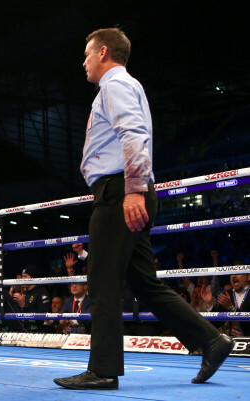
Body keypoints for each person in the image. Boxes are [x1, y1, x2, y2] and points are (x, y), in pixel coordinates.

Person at [54, 28, 232, 390]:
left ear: (103, 52)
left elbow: (133, 135)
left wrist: (133, 190)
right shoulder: (123, 86)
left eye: (87, 55)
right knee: (145, 284)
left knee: (102, 282)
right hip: (126, 188)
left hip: (122, 190)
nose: (83, 62)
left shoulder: (115, 86)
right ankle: (212, 341)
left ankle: (103, 370)